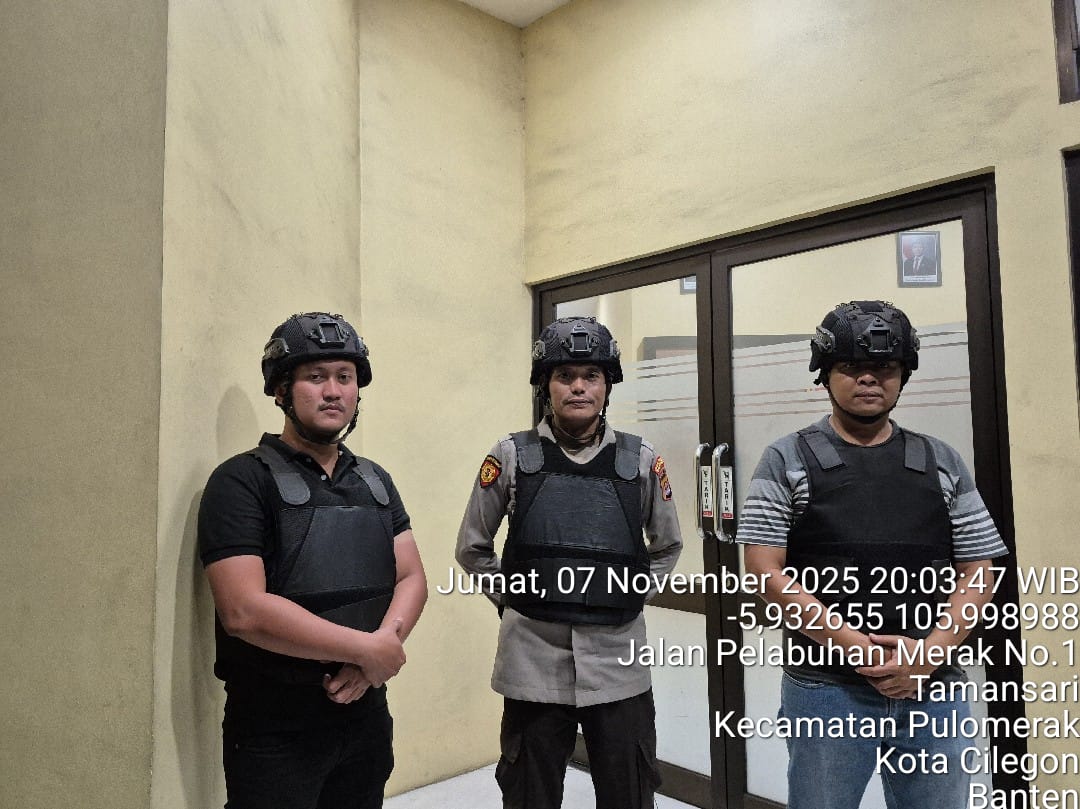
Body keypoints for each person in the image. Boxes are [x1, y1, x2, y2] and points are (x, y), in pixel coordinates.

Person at [737, 301, 1008, 809]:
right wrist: (857, 648)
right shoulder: (787, 458)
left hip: (933, 687)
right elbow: (764, 571)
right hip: (826, 688)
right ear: (824, 373)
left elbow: (978, 570)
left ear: (903, 375)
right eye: (851, 366)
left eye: (884, 367)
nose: (868, 378)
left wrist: (928, 655)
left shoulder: (940, 459)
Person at [199, 312, 427, 809]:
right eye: (315, 376)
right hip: (275, 726)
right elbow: (243, 610)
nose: (332, 391)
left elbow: (411, 576)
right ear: (282, 390)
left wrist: (376, 655)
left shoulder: (375, 480)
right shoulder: (240, 481)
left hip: (365, 714)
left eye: (344, 377)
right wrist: (368, 650)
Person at [456, 316, 683, 809]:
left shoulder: (641, 460)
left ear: (607, 386)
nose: (578, 386)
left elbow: (667, 546)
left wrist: (626, 593)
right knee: (530, 797)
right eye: (565, 376)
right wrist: (514, 598)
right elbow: (472, 548)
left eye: (591, 376)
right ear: (546, 386)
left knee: (629, 796)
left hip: (619, 666)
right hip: (531, 664)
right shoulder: (510, 455)